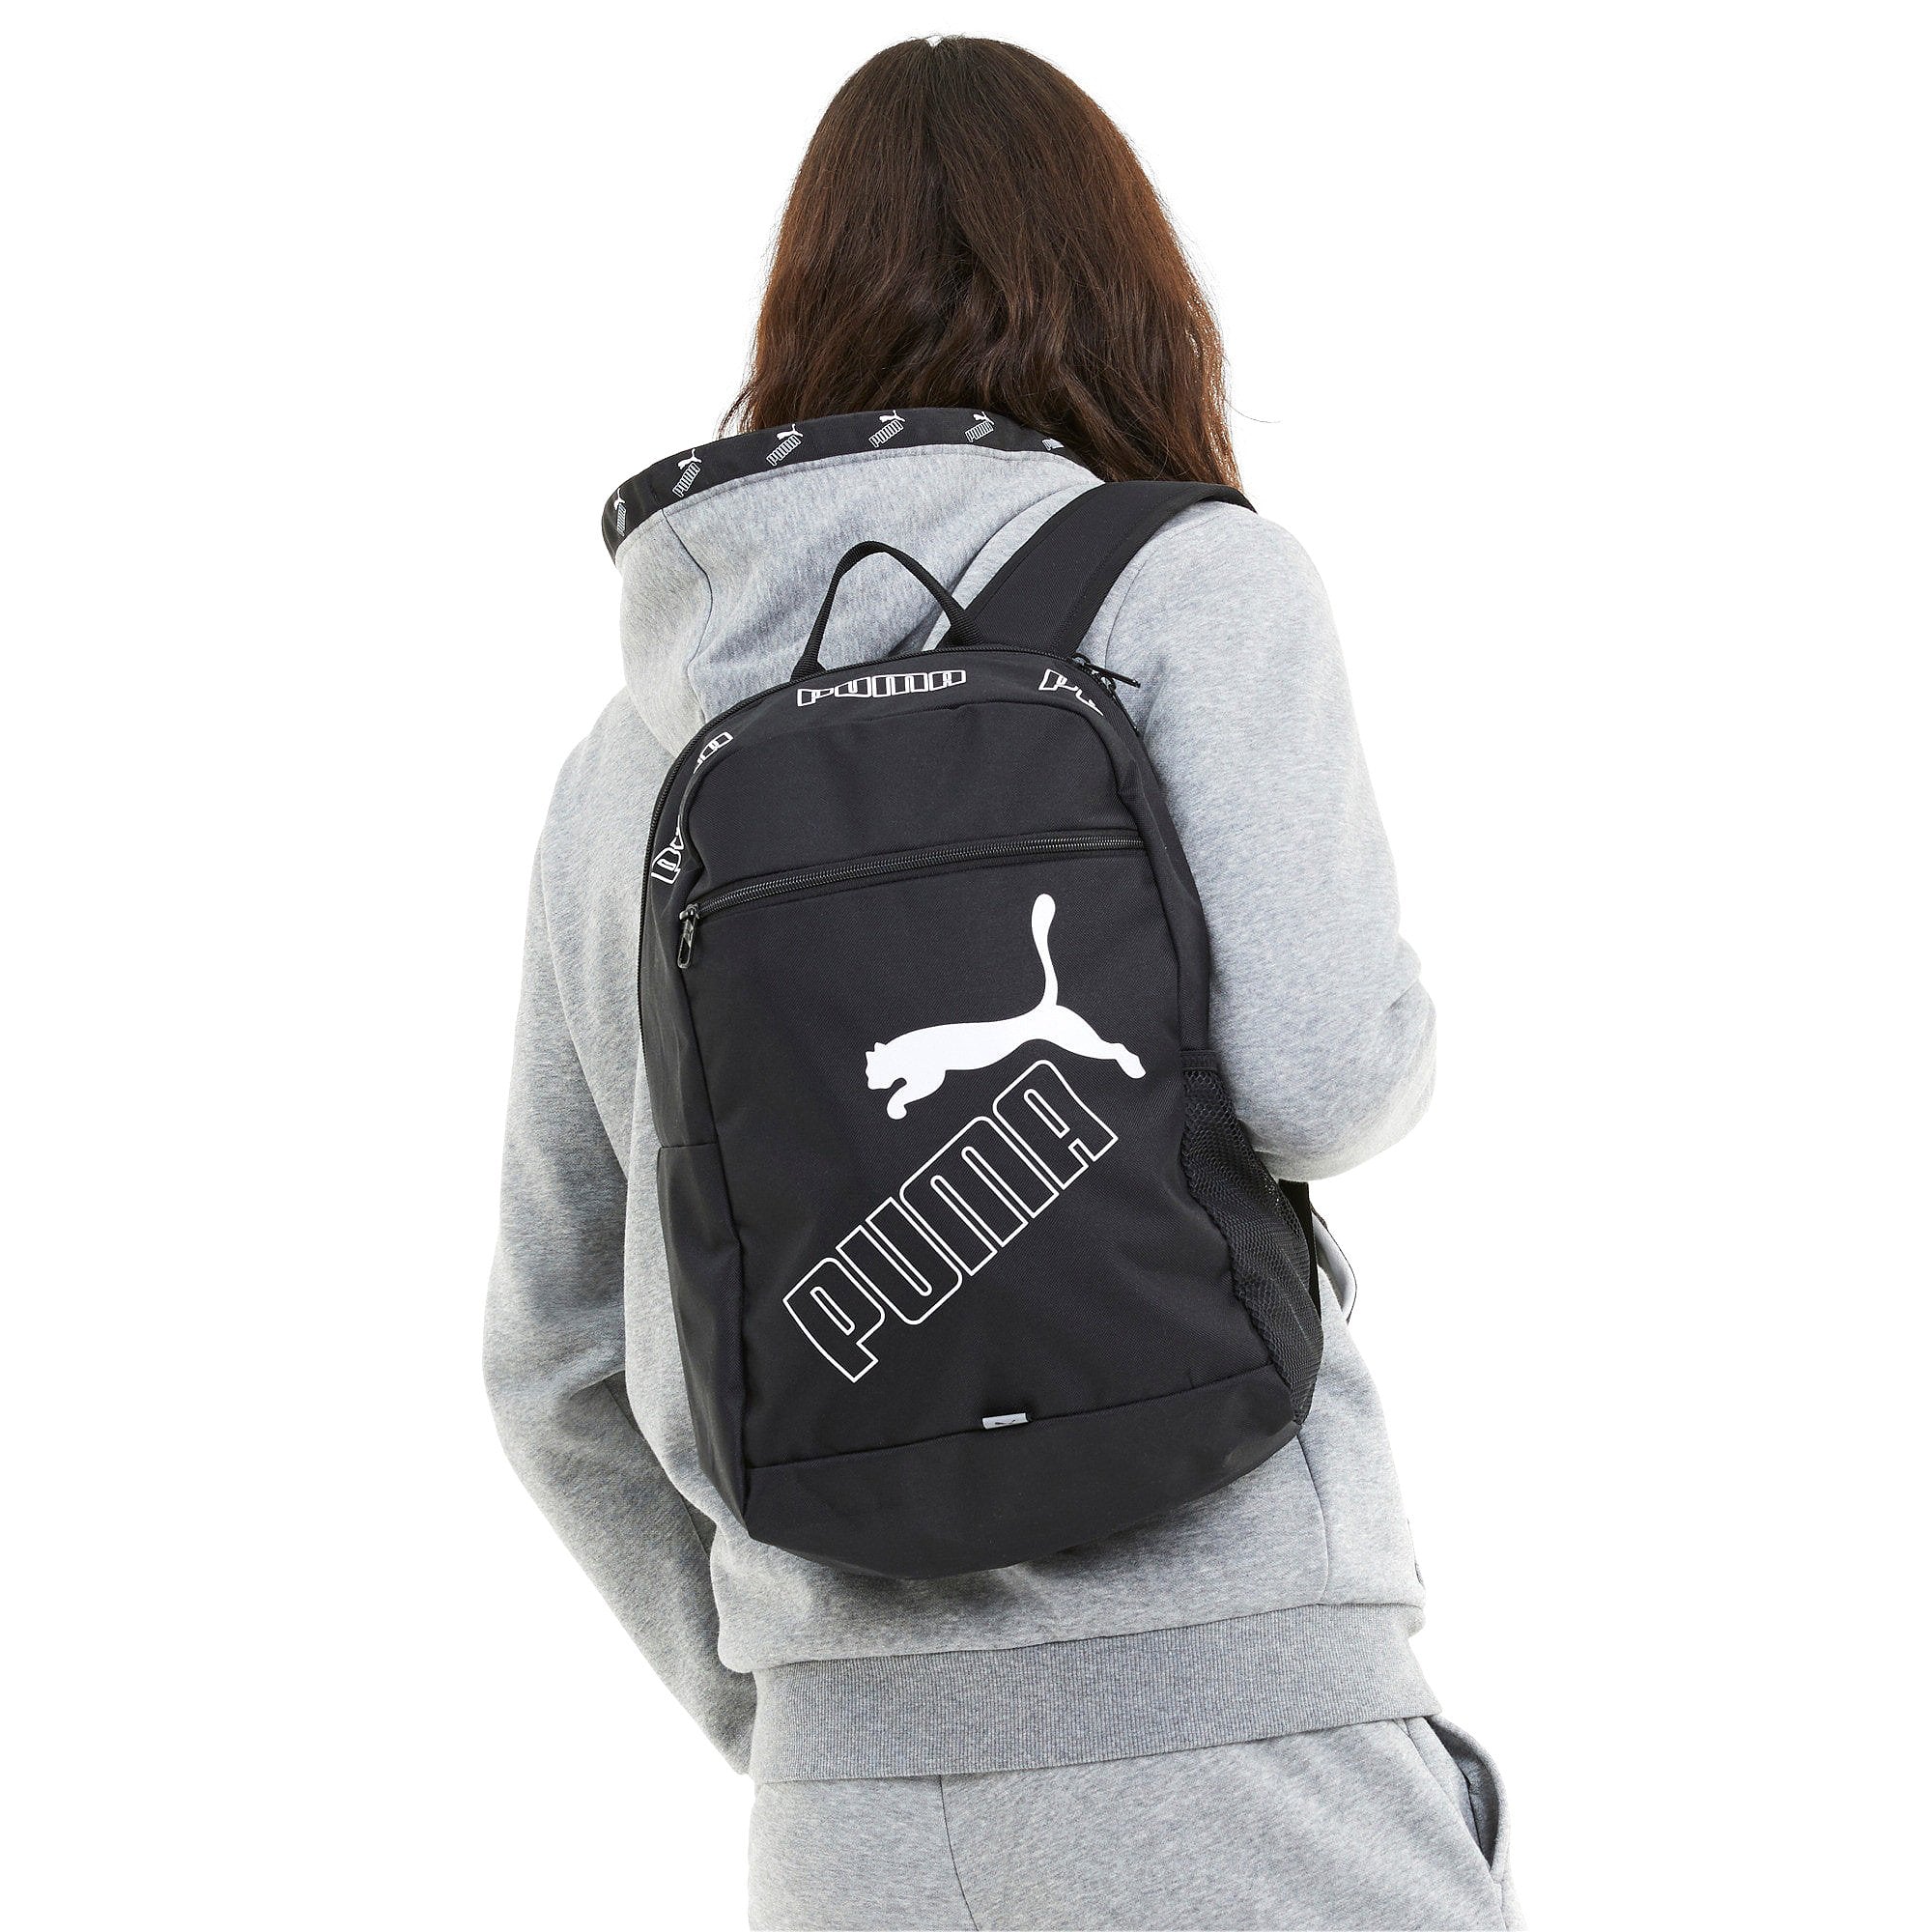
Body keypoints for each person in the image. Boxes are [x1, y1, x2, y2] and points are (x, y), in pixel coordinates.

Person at [487, 35, 1522, 1932]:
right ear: (1130, 287)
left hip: (851, 1813)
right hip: (1238, 1727)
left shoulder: (629, 757)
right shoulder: (1190, 586)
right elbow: (1318, 1071)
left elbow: (554, 1360)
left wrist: (820, 1709)